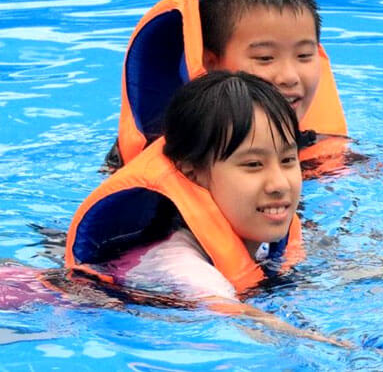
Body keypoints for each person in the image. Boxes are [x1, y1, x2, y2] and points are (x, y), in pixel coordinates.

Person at [65, 71, 345, 345]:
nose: (279, 184)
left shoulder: (258, 231)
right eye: (253, 165)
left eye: (287, 160)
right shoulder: (181, 266)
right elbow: (241, 322)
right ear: (193, 170)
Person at [106, 0, 347, 173]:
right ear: (212, 64)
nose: (289, 76)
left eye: (304, 55)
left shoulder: (317, 147)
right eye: (265, 58)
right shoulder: (177, 156)